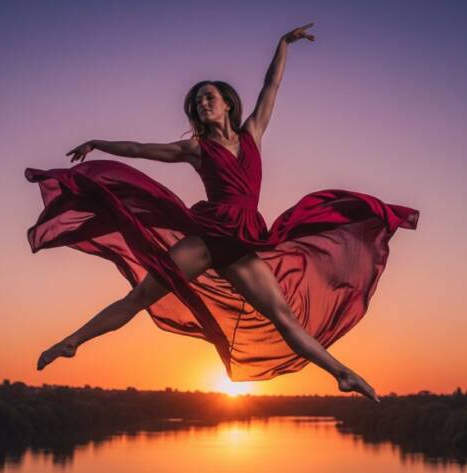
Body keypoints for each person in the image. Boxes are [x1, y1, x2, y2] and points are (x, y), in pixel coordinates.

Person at [25, 23, 419, 403]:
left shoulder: (252, 134)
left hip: (244, 241)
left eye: (208, 97)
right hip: (208, 235)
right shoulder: (195, 150)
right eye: (197, 102)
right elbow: (139, 149)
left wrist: (284, 43)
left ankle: (341, 373)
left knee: (284, 318)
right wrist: (98, 143)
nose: (202, 103)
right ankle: (72, 341)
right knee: (141, 295)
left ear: (227, 103)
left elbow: (271, 87)